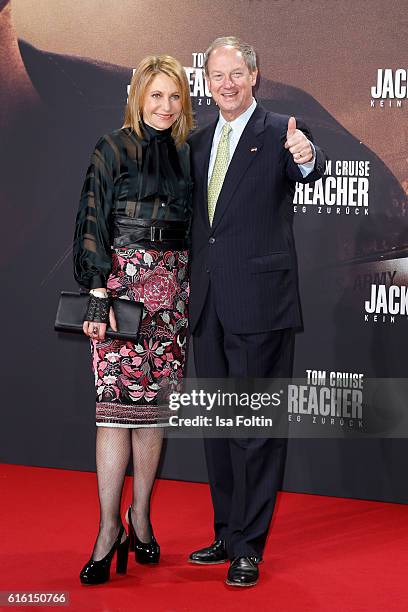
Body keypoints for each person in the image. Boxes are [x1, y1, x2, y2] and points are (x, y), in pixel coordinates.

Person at [187, 37, 327, 587]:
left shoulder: (280, 133)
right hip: (209, 306)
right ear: (208, 81)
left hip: (262, 305)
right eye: (216, 75)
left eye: (235, 74)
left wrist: (308, 157)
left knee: (257, 428)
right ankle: (226, 532)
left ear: (255, 77)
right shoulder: (198, 144)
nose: (225, 83)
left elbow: (309, 168)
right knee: (220, 427)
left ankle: (250, 546)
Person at [73, 54, 193, 585]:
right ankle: (107, 529)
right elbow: (92, 220)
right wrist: (97, 296)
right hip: (121, 290)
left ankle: (140, 517)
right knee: (113, 413)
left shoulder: (190, 155)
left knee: (152, 413)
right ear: (138, 96)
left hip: (172, 298)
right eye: (156, 96)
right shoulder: (111, 147)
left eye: (174, 97)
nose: (164, 107)